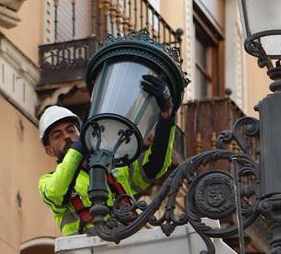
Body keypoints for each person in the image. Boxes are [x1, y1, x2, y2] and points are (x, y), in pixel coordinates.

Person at [38, 74, 178, 236]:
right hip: (88, 253)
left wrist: (166, 117)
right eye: (57, 135)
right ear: (49, 150)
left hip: (129, 244)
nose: (67, 137)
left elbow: (155, 166)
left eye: (71, 130)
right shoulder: (47, 183)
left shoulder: (114, 166)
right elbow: (59, 191)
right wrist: (83, 141)